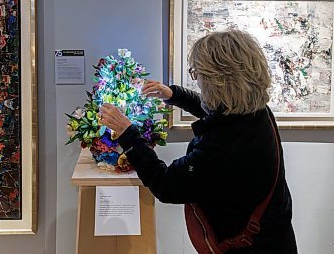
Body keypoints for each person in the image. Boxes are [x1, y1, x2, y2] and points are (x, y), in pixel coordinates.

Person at [99, 29, 297, 253]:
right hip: (277, 239)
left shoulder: (221, 148)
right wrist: (174, 95)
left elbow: (165, 184)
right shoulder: (257, 112)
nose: (198, 81)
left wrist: (127, 132)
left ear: (218, 82)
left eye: (198, 74)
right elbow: (219, 113)